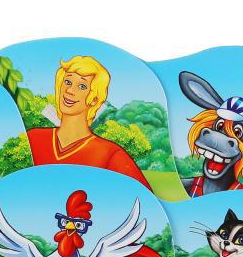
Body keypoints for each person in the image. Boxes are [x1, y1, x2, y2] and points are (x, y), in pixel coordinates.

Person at [25, 55, 150, 187]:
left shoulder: (110, 154)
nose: (70, 90)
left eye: (82, 86)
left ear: (94, 99)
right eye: (67, 82)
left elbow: (144, 196)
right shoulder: (33, 138)